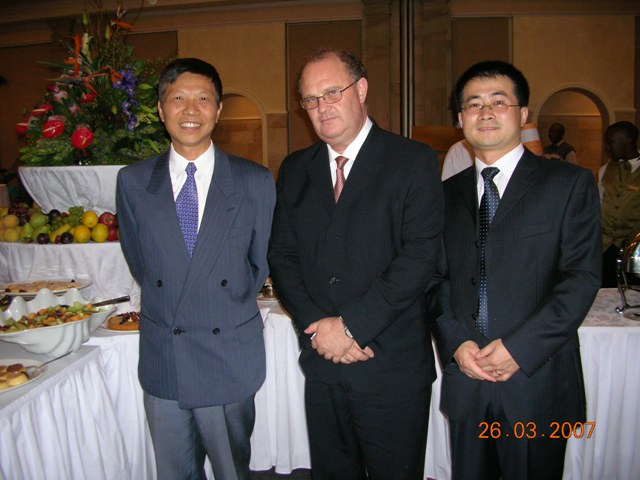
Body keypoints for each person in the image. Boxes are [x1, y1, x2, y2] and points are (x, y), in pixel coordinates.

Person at [268, 49, 444, 480]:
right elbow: (283, 256)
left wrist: (350, 327)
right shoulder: (295, 169)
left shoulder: (412, 160)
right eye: (310, 99)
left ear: (361, 89)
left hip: (390, 368)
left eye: (332, 92)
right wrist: (319, 328)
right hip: (323, 363)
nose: (321, 107)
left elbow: (420, 257)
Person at [429, 60, 601, 479]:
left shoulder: (568, 184)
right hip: (467, 378)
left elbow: (580, 279)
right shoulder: (442, 196)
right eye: (473, 104)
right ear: (460, 119)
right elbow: (434, 279)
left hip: (535, 382)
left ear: (523, 115)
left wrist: (518, 350)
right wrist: (455, 343)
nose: (485, 112)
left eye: (499, 101)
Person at [116, 57, 275, 480]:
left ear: (218, 110)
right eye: (178, 99)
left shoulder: (254, 181)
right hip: (164, 352)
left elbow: (259, 264)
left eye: (203, 99)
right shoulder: (132, 182)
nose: (191, 110)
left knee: (231, 471)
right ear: (161, 108)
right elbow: (141, 260)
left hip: (228, 356)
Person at [598, 121, 640, 287]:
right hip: (606, 248)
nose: (607, 147)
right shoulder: (604, 169)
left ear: (628, 140)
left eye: (611, 141)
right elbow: (599, 202)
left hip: (634, 250)